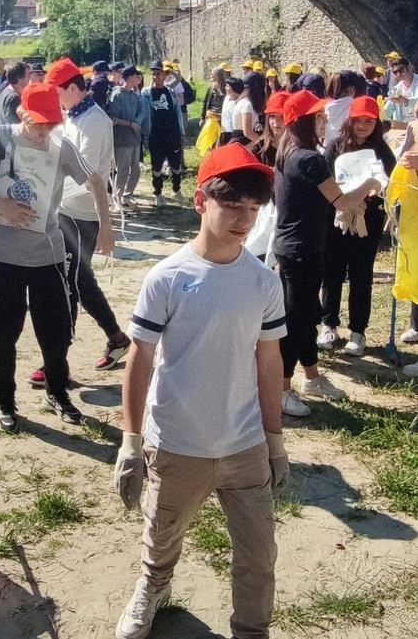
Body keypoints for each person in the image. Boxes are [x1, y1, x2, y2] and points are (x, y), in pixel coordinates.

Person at [111, 142, 288, 639]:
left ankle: (252, 629)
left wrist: (274, 440)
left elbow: (268, 359)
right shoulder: (167, 278)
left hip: (244, 444)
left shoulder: (263, 282)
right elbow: (140, 356)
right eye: (232, 205)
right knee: (162, 533)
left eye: (254, 208)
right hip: (177, 442)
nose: (244, 219)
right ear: (200, 201)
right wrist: (130, 440)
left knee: (259, 553)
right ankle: (153, 586)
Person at [0, 82, 94, 432]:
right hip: (3, 253)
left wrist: (105, 226)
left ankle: (58, 393)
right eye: (38, 123)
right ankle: (5, 400)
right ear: (21, 113)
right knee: (4, 333)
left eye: (52, 123)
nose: (45, 130)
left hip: (47, 253)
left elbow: (93, 180)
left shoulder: (60, 146)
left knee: (55, 331)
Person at [273, 90, 379, 417]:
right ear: (307, 121)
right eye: (319, 117)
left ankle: (312, 377)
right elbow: (343, 201)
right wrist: (372, 181)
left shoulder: (288, 150)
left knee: (305, 317)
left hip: (295, 247)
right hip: (303, 249)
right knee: (298, 320)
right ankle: (281, 390)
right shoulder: (309, 158)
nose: (324, 122)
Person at [42, 58, 129, 380]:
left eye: (58, 92)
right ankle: (117, 338)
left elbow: (86, 175)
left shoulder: (94, 122)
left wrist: (106, 227)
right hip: (63, 211)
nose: (55, 98)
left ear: (74, 88)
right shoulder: (71, 117)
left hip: (82, 214)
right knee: (78, 281)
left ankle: (56, 359)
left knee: (68, 284)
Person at [319, 96, 394, 356]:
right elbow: (324, 180)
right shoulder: (336, 146)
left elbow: (388, 187)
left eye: (368, 121)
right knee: (333, 271)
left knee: (361, 274)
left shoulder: (382, 152)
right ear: (349, 121)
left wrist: (365, 205)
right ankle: (328, 324)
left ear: (376, 123)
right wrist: (343, 204)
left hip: (367, 222)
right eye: (358, 120)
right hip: (336, 219)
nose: (362, 126)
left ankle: (358, 331)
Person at [146, 60, 185, 205]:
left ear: (164, 75)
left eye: (159, 74)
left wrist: (182, 133)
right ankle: (158, 193)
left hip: (172, 133)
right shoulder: (147, 92)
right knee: (156, 165)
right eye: (153, 74)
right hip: (156, 135)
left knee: (175, 164)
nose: (156, 77)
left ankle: (176, 190)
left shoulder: (170, 90)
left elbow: (179, 79)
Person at [109, 66, 147, 208]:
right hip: (122, 139)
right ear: (129, 77)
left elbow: (141, 111)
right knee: (123, 170)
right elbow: (113, 118)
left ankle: (127, 196)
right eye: (136, 75)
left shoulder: (135, 95)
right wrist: (130, 124)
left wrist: (137, 122)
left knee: (135, 170)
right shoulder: (117, 95)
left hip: (134, 139)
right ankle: (116, 198)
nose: (139, 78)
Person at [322, 70, 366, 150]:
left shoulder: (325, 108)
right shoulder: (355, 108)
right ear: (352, 89)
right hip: (347, 154)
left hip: (326, 152)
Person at [384, 57, 418, 129]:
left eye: (401, 70)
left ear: (408, 67)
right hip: (403, 127)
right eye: (395, 72)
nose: (398, 74)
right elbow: (387, 109)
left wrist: (406, 101)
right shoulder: (396, 89)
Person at [0, 62, 29, 126]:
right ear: (19, 78)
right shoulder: (14, 98)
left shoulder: (6, 90)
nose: (30, 79)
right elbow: (13, 129)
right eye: (28, 76)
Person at [202, 67, 227, 140]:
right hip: (211, 117)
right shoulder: (210, 88)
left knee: (221, 138)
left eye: (212, 74)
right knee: (210, 139)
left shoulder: (226, 88)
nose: (210, 76)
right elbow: (205, 103)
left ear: (218, 75)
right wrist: (202, 118)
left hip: (222, 118)